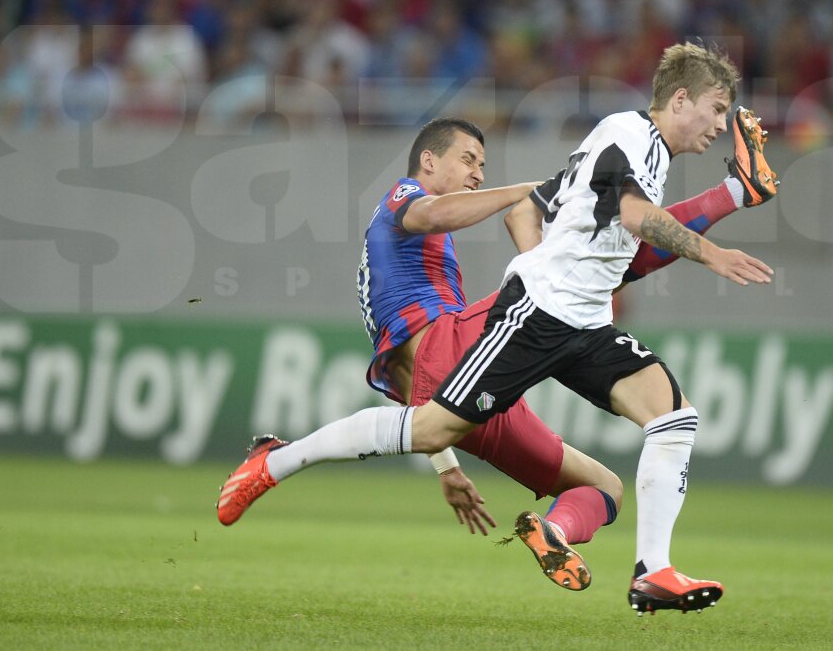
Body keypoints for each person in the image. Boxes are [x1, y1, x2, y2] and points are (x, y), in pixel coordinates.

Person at [217, 43, 776, 614]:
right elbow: (608, 217)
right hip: (511, 323)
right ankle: (277, 460)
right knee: (432, 426)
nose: (720, 123)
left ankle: (638, 566)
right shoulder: (409, 197)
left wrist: (732, 194)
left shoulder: (649, 157)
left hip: (568, 324)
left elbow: (623, 249)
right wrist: (703, 251)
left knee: (653, 439)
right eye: (715, 107)